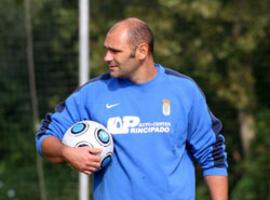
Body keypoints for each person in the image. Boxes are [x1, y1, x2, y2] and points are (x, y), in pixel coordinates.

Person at [35, 17, 228, 200]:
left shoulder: (184, 91)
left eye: (115, 51)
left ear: (142, 51)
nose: (106, 57)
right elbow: (45, 136)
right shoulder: (93, 93)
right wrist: (66, 152)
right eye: (106, 49)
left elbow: (212, 153)